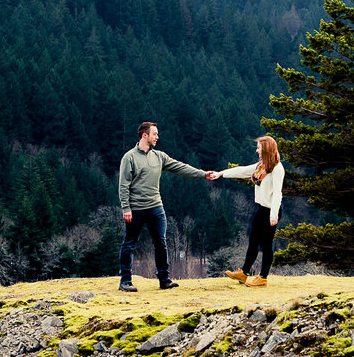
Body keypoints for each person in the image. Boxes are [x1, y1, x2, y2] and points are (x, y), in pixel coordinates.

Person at [118, 121, 216, 291]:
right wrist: (126, 208)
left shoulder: (159, 157)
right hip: (136, 209)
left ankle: (164, 279)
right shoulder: (129, 158)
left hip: (156, 207)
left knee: (161, 243)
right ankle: (125, 281)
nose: (157, 137)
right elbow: (123, 185)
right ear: (144, 135)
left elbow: (180, 167)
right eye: (154, 134)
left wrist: (202, 174)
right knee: (129, 244)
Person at [208, 135, 285, 287]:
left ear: (266, 149)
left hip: (270, 212)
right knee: (253, 241)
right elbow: (242, 171)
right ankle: (244, 273)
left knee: (267, 244)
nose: (257, 150)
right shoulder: (261, 166)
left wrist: (274, 215)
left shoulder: (277, 169)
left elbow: (277, 193)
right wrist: (221, 173)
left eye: (259, 148)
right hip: (261, 209)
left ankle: (263, 278)